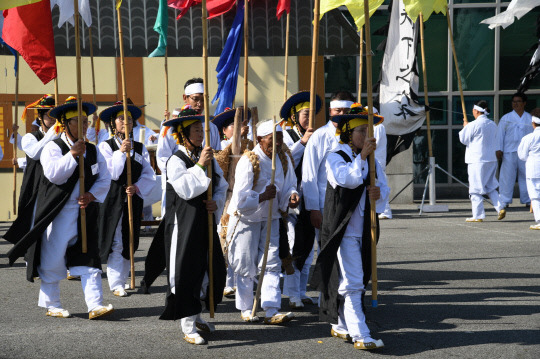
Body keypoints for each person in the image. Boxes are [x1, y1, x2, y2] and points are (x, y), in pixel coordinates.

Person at [6, 97, 114, 320]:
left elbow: (105, 178)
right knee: (52, 258)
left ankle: (95, 304)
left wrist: (92, 195)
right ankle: (52, 303)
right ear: (65, 124)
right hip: (58, 212)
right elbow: (54, 174)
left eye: (86, 121)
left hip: (85, 210)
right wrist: (73, 154)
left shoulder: (94, 151)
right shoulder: (52, 147)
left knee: (89, 256)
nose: (84, 126)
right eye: (79, 121)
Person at [310, 105, 388, 350]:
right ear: (347, 133)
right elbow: (347, 179)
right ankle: (361, 334)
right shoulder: (336, 156)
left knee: (354, 278)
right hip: (341, 229)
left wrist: (378, 193)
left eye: (368, 131)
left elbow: (383, 188)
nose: (366, 137)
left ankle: (342, 324)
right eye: (360, 132)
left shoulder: (372, 159)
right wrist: (362, 157)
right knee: (353, 282)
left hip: (364, 229)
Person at [158, 108, 227, 345]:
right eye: (195, 130)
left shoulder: (206, 156)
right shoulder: (175, 160)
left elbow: (221, 185)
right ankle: (188, 326)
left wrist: (214, 202)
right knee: (186, 272)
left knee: (208, 270)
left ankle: (198, 316)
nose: (200, 134)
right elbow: (185, 189)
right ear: (183, 134)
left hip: (205, 222)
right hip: (184, 225)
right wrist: (199, 166)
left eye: (201, 130)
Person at [226, 120, 299, 324]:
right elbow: (240, 198)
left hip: (272, 218)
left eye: (280, 139)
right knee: (246, 264)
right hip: (246, 220)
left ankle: (271, 309)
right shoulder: (249, 160)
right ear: (259, 139)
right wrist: (261, 196)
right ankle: (247, 307)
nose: (277, 143)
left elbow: (290, 185)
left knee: (272, 263)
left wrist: (291, 196)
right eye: (272, 139)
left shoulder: (283, 159)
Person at [97, 101, 156, 297]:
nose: (126, 122)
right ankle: (116, 283)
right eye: (122, 118)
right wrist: (121, 152)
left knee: (130, 240)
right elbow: (112, 173)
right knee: (116, 241)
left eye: (129, 119)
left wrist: (137, 187)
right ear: (113, 123)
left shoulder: (140, 148)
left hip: (133, 197)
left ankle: (125, 277)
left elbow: (149, 174)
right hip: (113, 199)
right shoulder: (105, 147)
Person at [278, 91, 317, 309]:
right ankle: (291, 294)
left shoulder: (317, 135)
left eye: (312, 114)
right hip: (291, 199)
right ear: (294, 116)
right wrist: (303, 142)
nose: (309, 118)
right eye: (305, 113)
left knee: (308, 247)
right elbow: (286, 161)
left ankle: (301, 291)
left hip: (309, 197)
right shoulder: (286, 136)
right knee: (293, 245)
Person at [4, 94, 59, 245]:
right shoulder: (30, 137)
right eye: (49, 116)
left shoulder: (61, 136)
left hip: (56, 187)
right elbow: (35, 154)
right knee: (34, 228)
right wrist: (53, 133)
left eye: (55, 115)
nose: (53, 120)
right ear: (40, 118)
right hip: (36, 186)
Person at [459, 101, 506, 222]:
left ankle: (478, 215)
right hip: (490, 159)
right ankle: (500, 207)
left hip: (477, 160)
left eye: (473, 111)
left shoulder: (473, 125)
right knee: (490, 185)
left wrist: (465, 127)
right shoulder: (492, 124)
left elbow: (464, 140)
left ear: (476, 111)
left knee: (475, 188)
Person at [496, 93, 533, 207]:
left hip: (526, 152)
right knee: (507, 176)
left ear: (524, 103)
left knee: (526, 175)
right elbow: (500, 135)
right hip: (509, 151)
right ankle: (505, 200)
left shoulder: (530, 118)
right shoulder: (506, 118)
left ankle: (527, 199)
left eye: (518, 101)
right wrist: (498, 149)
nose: (515, 104)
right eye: (514, 102)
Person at [517, 109, 540, 230]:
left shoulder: (528, 138)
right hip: (534, 168)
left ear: (533, 123)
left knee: (535, 196)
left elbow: (522, 155)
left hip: (534, 169)